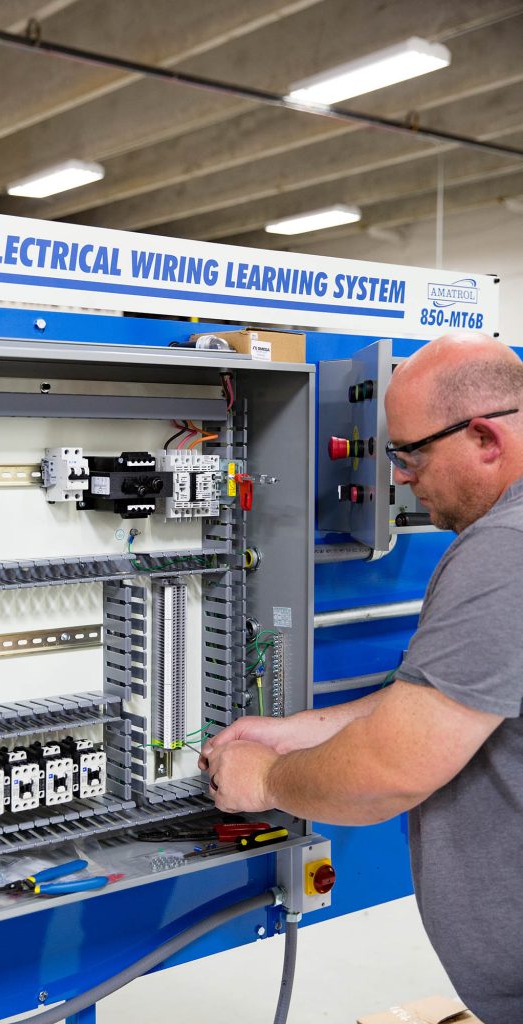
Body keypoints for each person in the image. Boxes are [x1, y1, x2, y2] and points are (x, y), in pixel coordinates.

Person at [200, 332, 523, 1024]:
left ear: (485, 439)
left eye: (411, 454)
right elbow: (444, 699)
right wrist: (292, 733)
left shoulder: (505, 552)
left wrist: (264, 779)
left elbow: (391, 770)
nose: (400, 477)